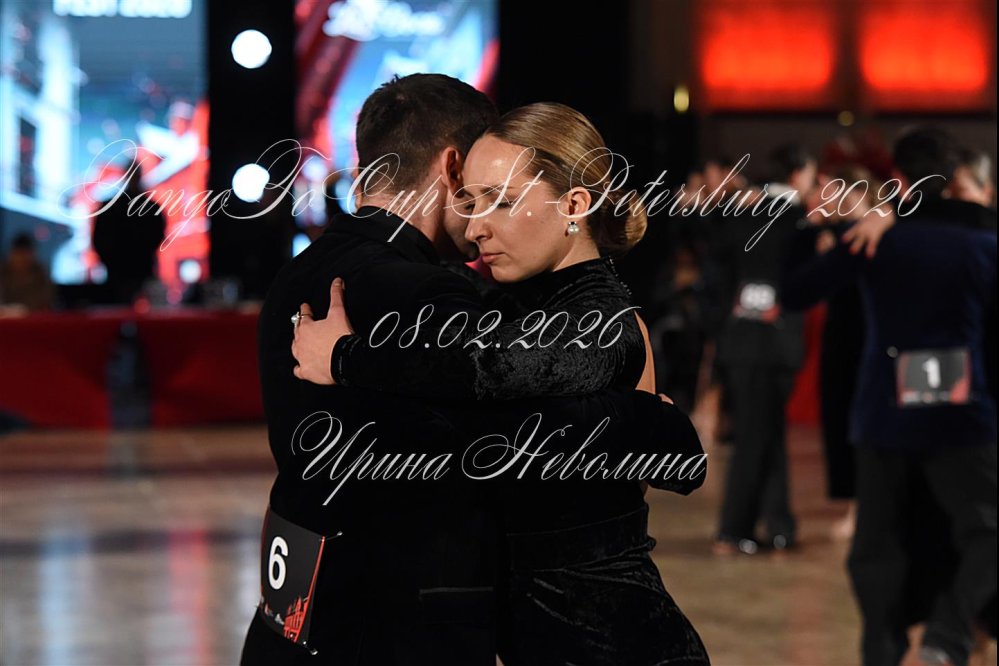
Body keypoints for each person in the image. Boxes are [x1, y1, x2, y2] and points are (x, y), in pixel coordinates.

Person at [243, 76, 705, 666]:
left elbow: (497, 408)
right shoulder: (461, 298)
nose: (479, 223)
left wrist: (345, 359)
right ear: (452, 166)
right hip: (398, 628)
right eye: (473, 198)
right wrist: (650, 425)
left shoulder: (305, 272)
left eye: (500, 200)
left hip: (613, 643)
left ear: (573, 205)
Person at [783, 127, 997, 666]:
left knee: (877, 549)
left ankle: (884, 650)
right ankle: (948, 636)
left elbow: (797, 291)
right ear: (956, 179)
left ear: (899, 179)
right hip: (962, 417)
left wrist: (828, 226)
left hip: (886, 416)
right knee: (986, 533)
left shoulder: (875, 239)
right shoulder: (982, 246)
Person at [708, 143, 817, 554]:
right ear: (799, 173)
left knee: (766, 433)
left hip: (740, 340)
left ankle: (778, 524)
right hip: (773, 342)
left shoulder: (739, 213)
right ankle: (733, 529)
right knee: (756, 437)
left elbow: (715, 268)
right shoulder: (796, 220)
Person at [92, 166, 166, 304]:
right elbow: (158, 237)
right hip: (137, 270)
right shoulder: (151, 207)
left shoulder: (110, 206)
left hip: (119, 271)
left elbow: (99, 240)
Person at [0, 233, 55, 311]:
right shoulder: (3, 272)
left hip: (34, 316)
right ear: (11, 254)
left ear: (32, 254)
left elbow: (45, 301)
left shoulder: (40, 274)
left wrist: (22, 309)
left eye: (25, 254)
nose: (21, 259)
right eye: (18, 254)